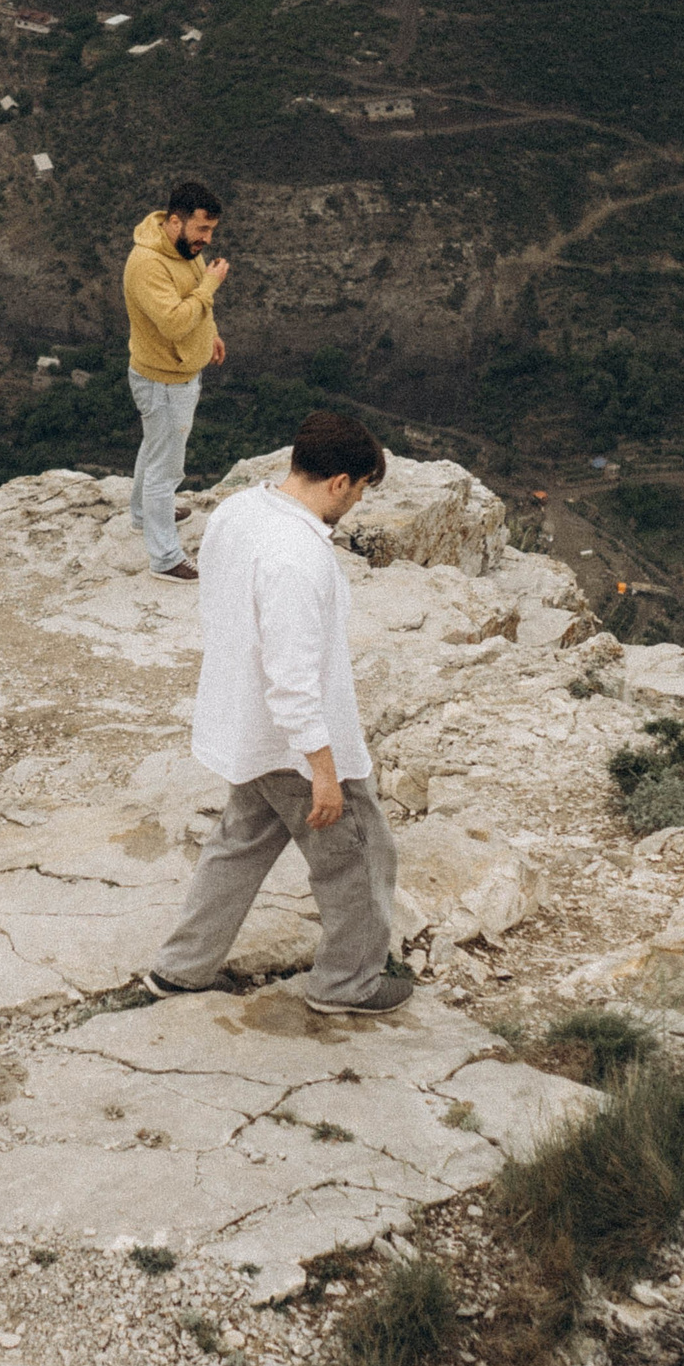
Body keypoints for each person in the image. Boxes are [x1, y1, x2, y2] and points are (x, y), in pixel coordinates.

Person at [145, 411, 413, 1016]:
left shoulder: (241, 510)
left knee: (240, 843)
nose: (357, 502)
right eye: (362, 489)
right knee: (360, 856)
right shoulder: (297, 556)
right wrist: (324, 768)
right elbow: (292, 680)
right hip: (295, 742)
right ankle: (349, 984)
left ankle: (182, 970)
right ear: (341, 481)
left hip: (245, 729)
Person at [122, 180, 229, 582]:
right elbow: (173, 322)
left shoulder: (184, 251)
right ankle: (165, 557)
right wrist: (210, 286)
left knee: (155, 447)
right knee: (166, 470)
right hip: (163, 380)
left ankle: (141, 514)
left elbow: (197, 304)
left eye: (211, 231)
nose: (207, 239)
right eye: (202, 229)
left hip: (175, 374)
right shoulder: (148, 263)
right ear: (173, 222)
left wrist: (211, 334)